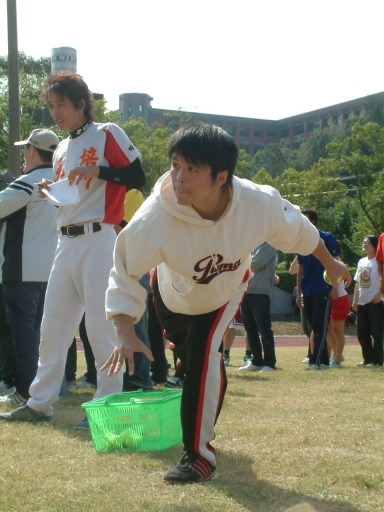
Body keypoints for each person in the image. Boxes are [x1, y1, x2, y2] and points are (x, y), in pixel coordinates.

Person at [101, 123, 351, 484]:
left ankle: (198, 457)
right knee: (194, 368)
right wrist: (125, 331)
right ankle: (204, 381)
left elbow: (300, 231)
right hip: (171, 296)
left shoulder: (257, 202)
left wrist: (331, 263)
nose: (178, 177)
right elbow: (123, 270)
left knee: (205, 359)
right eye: (174, 165)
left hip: (226, 292)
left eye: (191, 169)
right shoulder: (154, 217)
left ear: (221, 176)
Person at [0, 71, 145, 427]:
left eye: (60, 104)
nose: (55, 112)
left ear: (81, 103)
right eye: (51, 106)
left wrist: (98, 170)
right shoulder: (62, 147)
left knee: (100, 326)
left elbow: (138, 176)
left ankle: (107, 405)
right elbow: (70, 193)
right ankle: (39, 403)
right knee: (52, 328)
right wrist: (53, 188)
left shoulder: (108, 132)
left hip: (99, 238)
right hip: (65, 241)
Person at [0, 129, 59, 406]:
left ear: (32, 151)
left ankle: (25, 391)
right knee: (46, 334)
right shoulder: (62, 183)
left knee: (24, 331)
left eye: (25, 149)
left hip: (22, 269)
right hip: (54, 270)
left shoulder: (27, 183)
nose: (24, 154)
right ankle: (50, 388)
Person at [296, 208, 338, 370]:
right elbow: (300, 268)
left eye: (305, 218)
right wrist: (299, 292)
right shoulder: (301, 241)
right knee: (314, 326)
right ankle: (324, 361)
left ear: (312, 221)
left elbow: (335, 263)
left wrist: (334, 287)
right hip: (307, 289)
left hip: (323, 287)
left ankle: (315, 361)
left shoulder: (327, 238)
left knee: (320, 325)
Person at [239, 242, 279, 372]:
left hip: (260, 292)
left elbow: (257, 263)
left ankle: (269, 362)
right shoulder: (251, 241)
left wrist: (237, 268)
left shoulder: (268, 243)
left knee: (264, 330)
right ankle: (256, 361)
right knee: (250, 330)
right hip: (245, 291)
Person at [352, 235, 383, 367]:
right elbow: (358, 282)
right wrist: (354, 301)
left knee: (376, 333)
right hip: (362, 302)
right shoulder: (361, 262)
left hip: (375, 302)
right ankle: (368, 359)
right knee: (362, 333)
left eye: (367, 243)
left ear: (375, 245)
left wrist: (379, 294)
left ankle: (377, 360)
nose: (364, 244)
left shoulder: (379, 262)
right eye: (363, 242)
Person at [326, 240, 350, 368]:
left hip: (340, 298)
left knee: (337, 329)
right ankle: (335, 356)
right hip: (331, 299)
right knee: (327, 328)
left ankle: (337, 359)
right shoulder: (327, 259)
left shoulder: (336, 261)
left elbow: (347, 276)